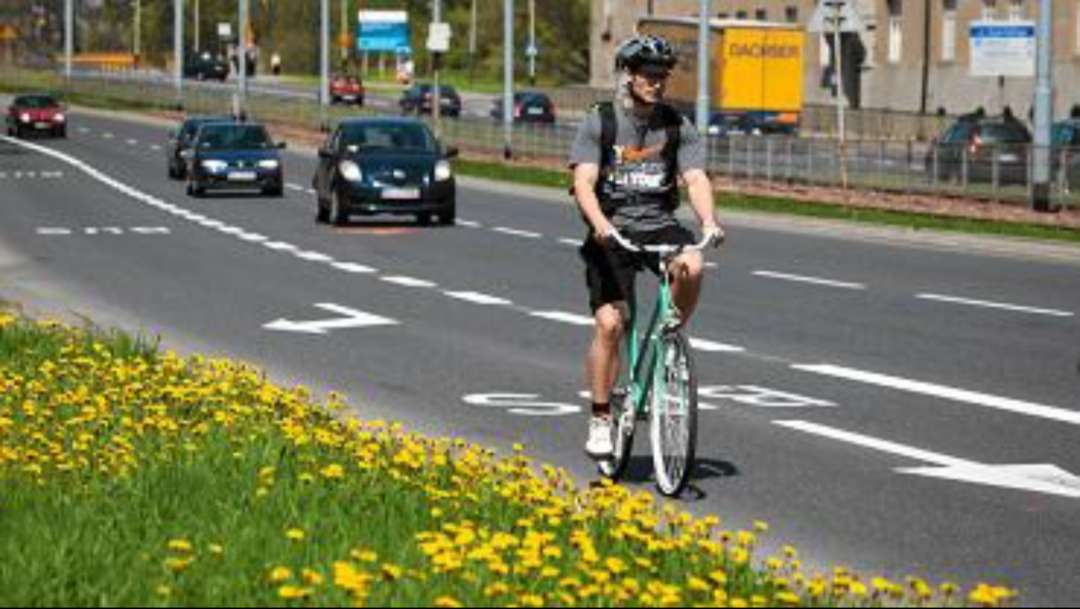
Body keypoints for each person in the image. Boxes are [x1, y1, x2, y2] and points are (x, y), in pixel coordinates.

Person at [568, 34, 725, 459]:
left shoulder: (677, 125)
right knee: (611, 325)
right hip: (613, 227)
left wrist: (709, 221)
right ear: (629, 75)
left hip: (658, 224)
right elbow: (583, 181)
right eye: (649, 75)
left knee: (693, 263)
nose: (657, 82)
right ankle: (601, 416)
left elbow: (695, 178)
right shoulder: (600, 120)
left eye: (662, 75)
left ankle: (667, 339)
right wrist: (600, 224)